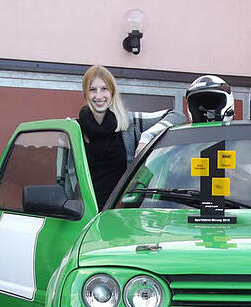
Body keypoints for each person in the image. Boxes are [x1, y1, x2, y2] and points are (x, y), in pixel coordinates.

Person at [78, 65, 185, 208]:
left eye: (104, 89)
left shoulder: (131, 123)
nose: (99, 96)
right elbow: (67, 183)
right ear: (85, 94)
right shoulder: (76, 129)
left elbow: (177, 116)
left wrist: (146, 137)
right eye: (92, 90)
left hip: (121, 211)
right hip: (86, 214)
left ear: (112, 92)